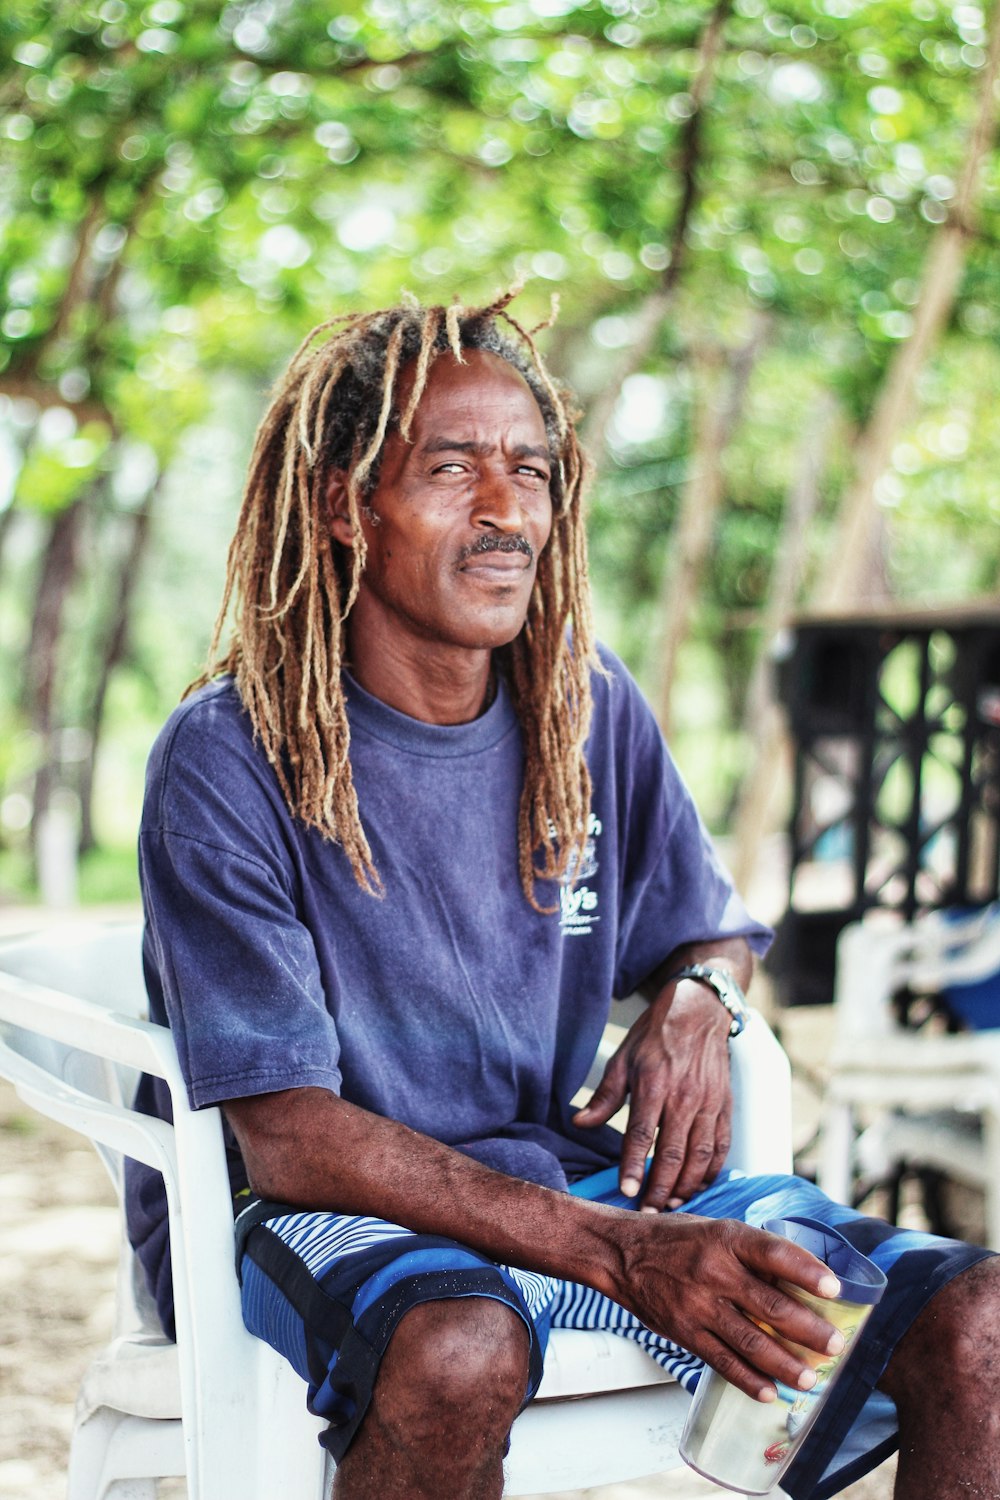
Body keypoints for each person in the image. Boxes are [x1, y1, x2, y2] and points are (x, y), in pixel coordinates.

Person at [127, 290, 999, 1500]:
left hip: (563, 1175)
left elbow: (706, 927)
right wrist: (623, 1253)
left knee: (977, 1326)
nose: (506, 512)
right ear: (341, 506)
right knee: (456, 1348)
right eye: (450, 469)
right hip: (304, 1212)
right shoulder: (231, 753)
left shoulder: (581, 702)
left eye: (530, 472)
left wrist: (696, 998)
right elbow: (289, 1137)